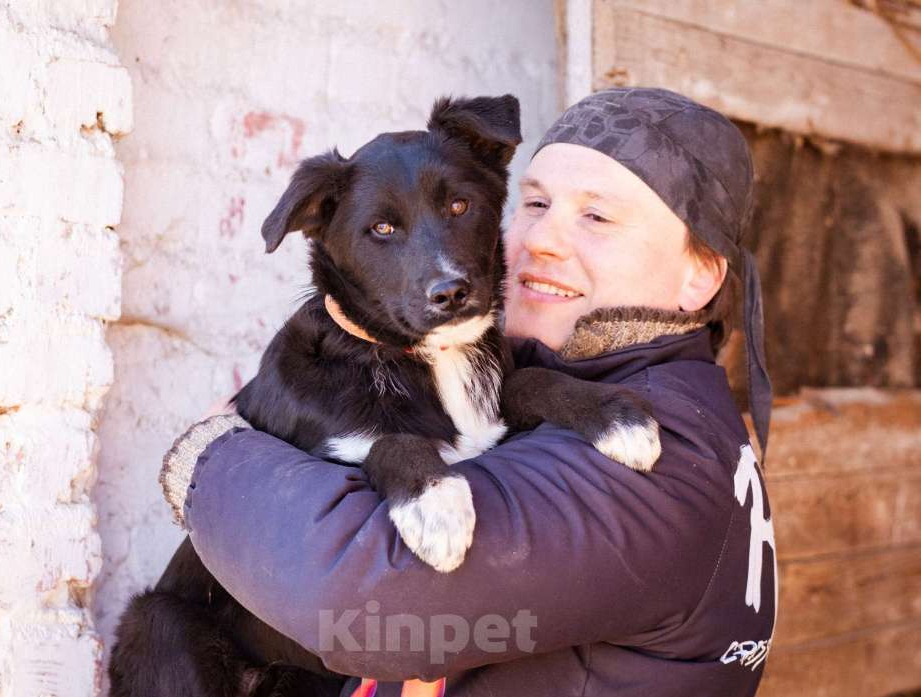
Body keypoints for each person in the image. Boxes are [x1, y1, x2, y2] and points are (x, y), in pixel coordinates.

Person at [158, 87, 777, 697]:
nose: (541, 241)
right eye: (534, 205)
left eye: (596, 217)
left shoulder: (659, 453)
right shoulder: (599, 386)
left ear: (700, 274)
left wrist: (210, 456)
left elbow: (376, 611)